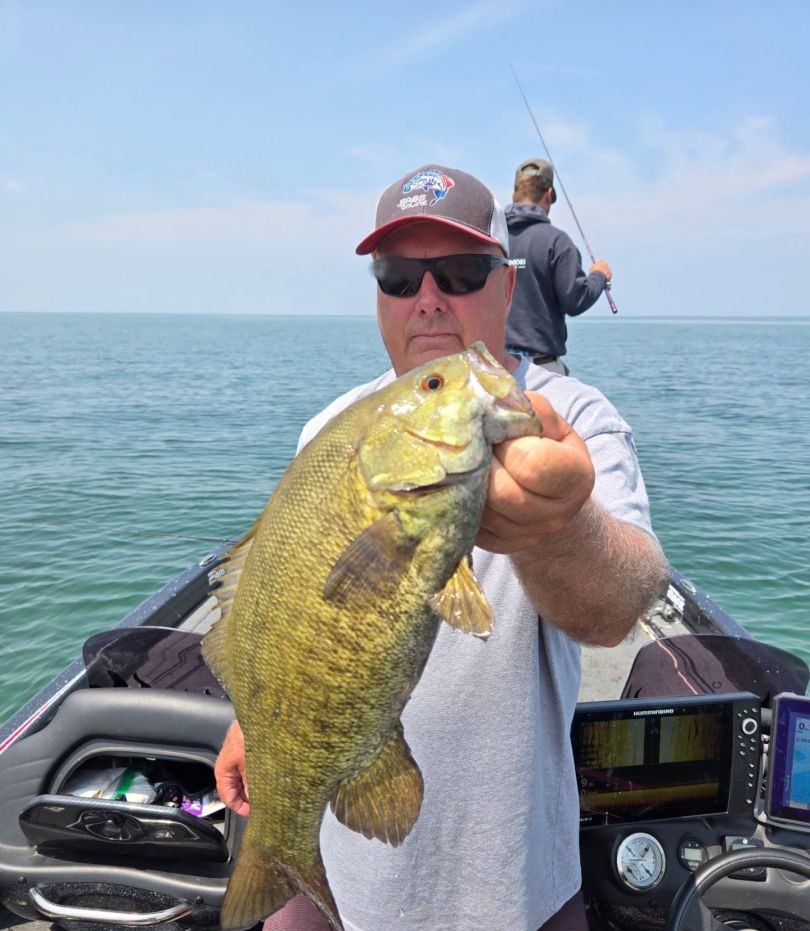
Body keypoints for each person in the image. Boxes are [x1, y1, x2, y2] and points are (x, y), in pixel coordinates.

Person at [215, 164, 666, 931]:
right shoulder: (329, 429)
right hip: (342, 883)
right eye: (397, 276)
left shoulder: (572, 418)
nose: (427, 298)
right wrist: (253, 721)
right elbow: (284, 612)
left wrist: (563, 529)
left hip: (512, 889)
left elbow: (621, 603)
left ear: (507, 287)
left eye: (459, 272)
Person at [505, 158, 613, 375]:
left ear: (513, 194)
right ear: (549, 194)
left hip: (493, 369)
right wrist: (599, 276)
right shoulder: (557, 242)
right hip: (541, 369)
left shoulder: (492, 239)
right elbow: (575, 300)